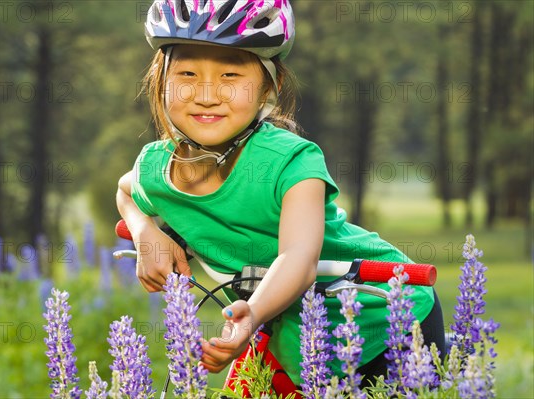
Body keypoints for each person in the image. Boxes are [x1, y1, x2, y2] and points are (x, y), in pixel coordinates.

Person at [116, 0, 445, 387]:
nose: (206, 94)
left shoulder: (292, 162)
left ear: (268, 88)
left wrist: (252, 315)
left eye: (230, 76)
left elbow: (299, 258)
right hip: (278, 327)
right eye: (187, 73)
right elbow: (126, 191)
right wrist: (145, 231)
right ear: (161, 81)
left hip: (383, 319)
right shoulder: (156, 168)